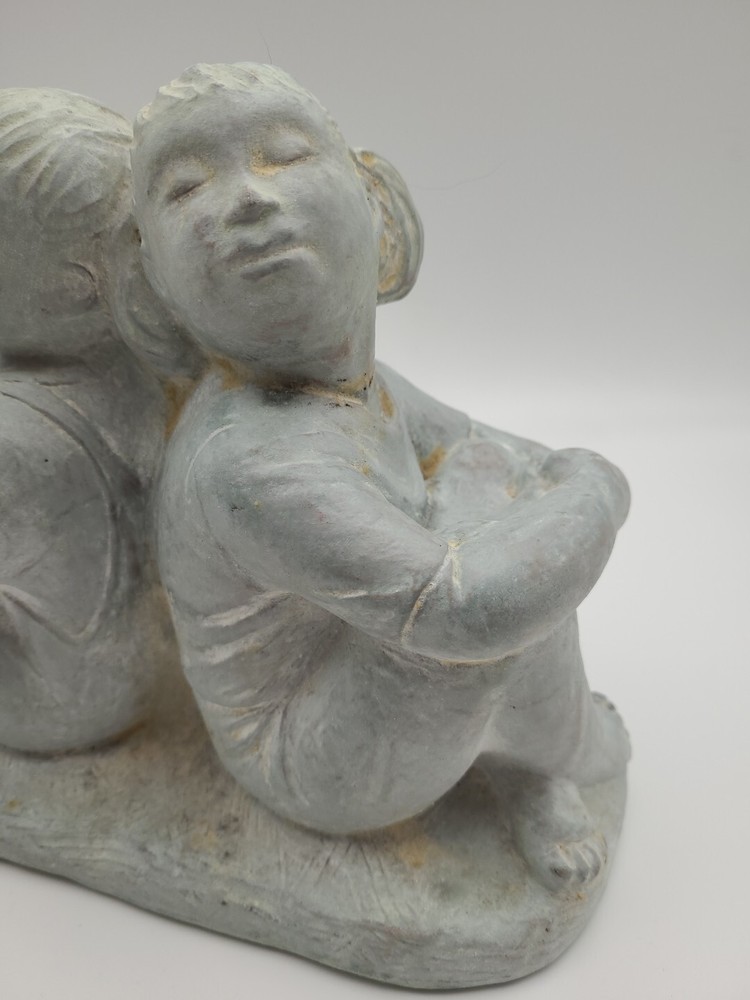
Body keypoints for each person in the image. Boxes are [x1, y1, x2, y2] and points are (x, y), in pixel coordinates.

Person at [132, 63, 631, 890]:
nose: (247, 198)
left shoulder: (356, 386)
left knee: (491, 498)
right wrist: (598, 491)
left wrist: (546, 488)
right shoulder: (246, 461)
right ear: (152, 284)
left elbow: (484, 448)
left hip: (366, 655)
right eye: (186, 188)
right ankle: (574, 750)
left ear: (378, 205)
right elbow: (463, 610)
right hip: (315, 760)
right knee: (496, 588)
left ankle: (525, 761)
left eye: (284, 155)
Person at [0, 89, 178, 753]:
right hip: (157, 673)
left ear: (73, 288)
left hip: (52, 708)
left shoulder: (15, 430)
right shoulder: (154, 368)